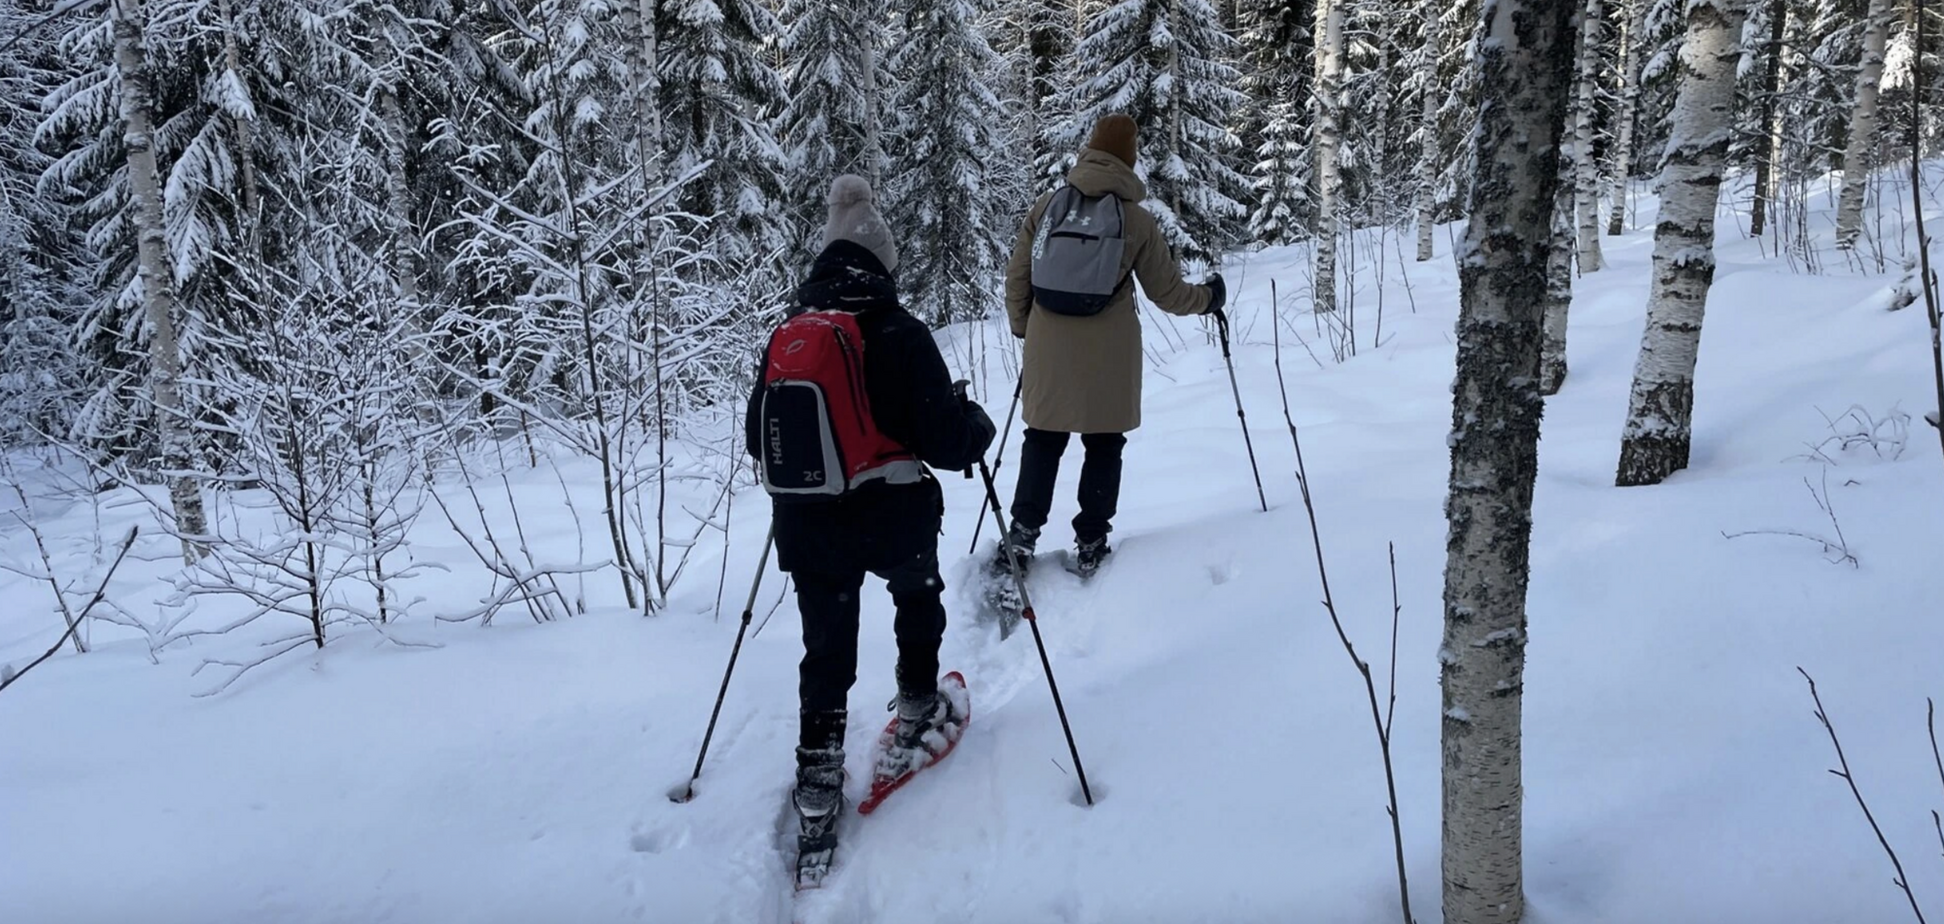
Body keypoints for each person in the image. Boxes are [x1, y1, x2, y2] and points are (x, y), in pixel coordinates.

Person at [745, 174, 997, 878]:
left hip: (808, 524)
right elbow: (947, 443)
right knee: (916, 595)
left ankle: (819, 779)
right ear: (882, 264)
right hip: (893, 516)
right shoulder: (902, 332)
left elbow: (754, 438)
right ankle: (918, 699)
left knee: (825, 649)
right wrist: (974, 423)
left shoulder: (788, 338)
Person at [997, 113, 1227, 578]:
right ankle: (1091, 539)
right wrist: (1209, 299)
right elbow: (1167, 294)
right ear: (1129, 160)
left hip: (1048, 341)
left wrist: (1027, 330)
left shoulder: (1047, 206)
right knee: (1104, 443)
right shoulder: (1136, 221)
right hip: (1110, 352)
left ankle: (1021, 534)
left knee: (1043, 439)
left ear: (1088, 151)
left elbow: (1018, 277)